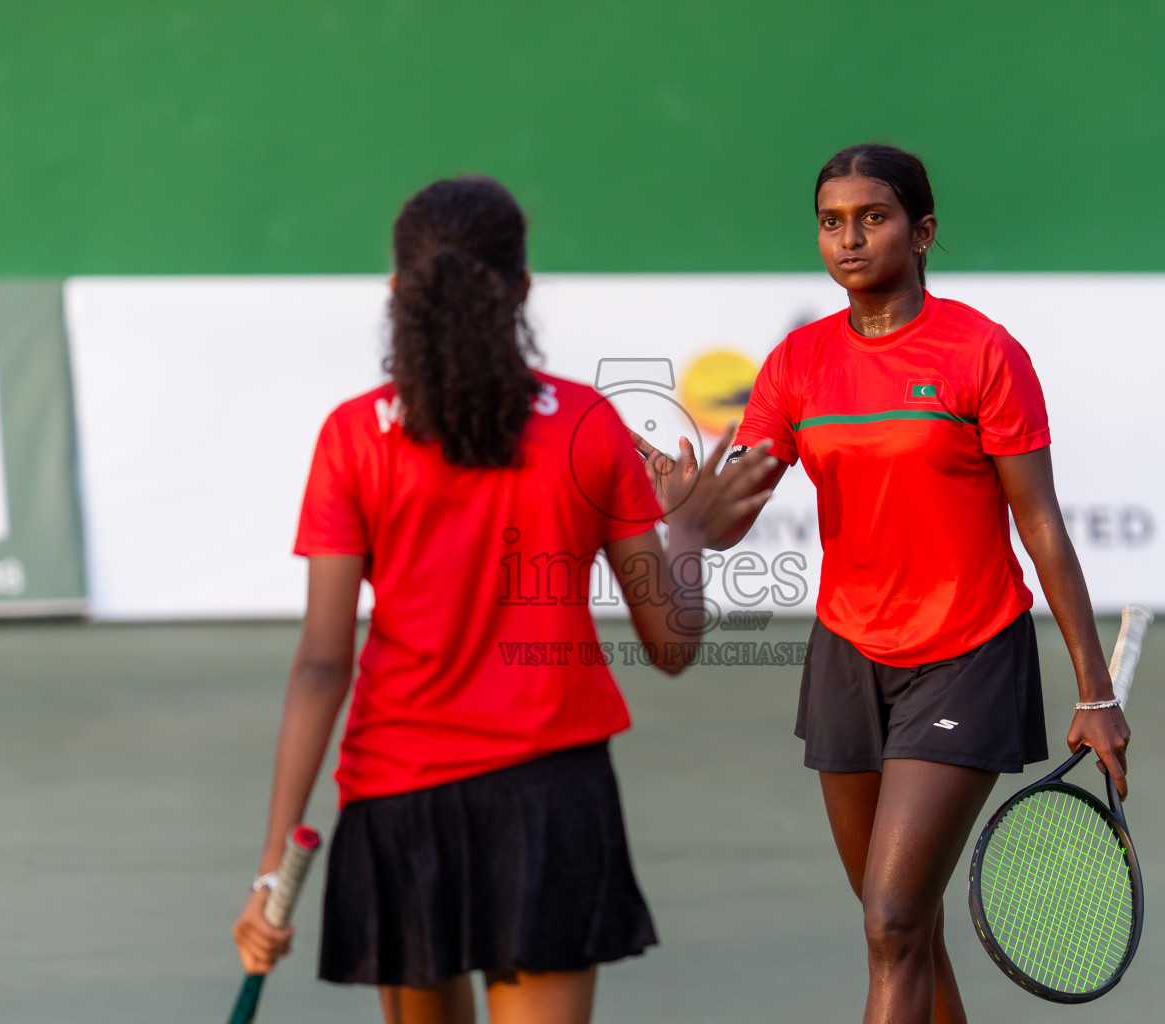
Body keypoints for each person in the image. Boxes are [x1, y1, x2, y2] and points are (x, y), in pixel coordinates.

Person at [232, 175, 778, 1024]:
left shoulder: (352, 438)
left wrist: (272, 875)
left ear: (396, 293)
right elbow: (672, 646)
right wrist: (690, 537)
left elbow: (321, 665)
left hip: (399, 798)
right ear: (523, 287)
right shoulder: (590, 425)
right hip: (552, 802)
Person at [635, 144, 1130, 1024]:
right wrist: (691, 513)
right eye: (832, 222)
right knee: (911, 930)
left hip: (968, 653)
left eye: (874, 217)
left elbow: (1041, 523)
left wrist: (1095, 690)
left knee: (890, 919)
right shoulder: (796, 365)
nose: (850, 239)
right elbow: (735, 515)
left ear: (923, 230)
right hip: (848, 657)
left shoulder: (984, 354)